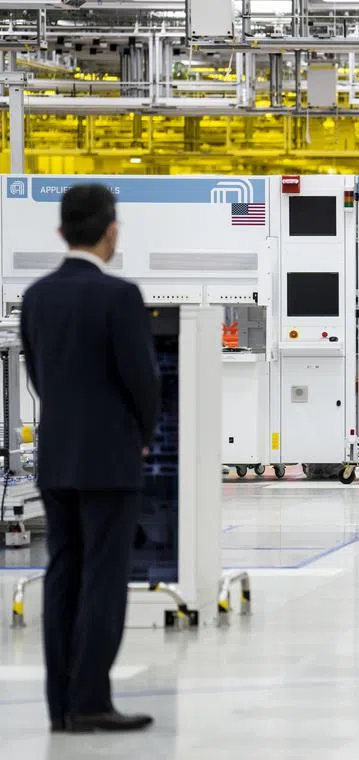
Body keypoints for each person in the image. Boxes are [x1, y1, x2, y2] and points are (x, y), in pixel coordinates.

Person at [19, 184, 159, 733]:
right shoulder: (119, 296)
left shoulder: (36, 296)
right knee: (104, 577)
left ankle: (62, 706)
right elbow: (142, 382)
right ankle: (92, 699)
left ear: (60, 232)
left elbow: (36, 374)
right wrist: (140, 435)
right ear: (112, 230)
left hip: (56, 455)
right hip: (110, 458)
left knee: (63, 574)